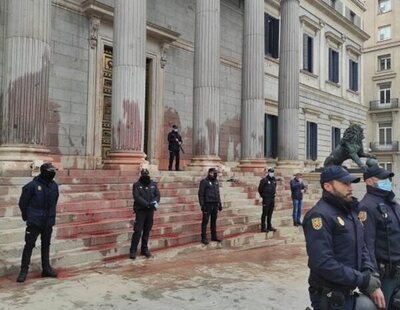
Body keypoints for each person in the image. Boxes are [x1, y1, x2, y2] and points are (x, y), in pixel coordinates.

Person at [303, 165, 385, 309]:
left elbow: (362, 247)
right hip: (330, 298)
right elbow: (323, 262)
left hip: (349, 292)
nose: (350, 188)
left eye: (350, 183)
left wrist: (369, 273)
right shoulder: (319, 216)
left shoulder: (349, 211)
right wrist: (362, 280)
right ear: (328, 186)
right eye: (345, 183)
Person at [359, 165, 400, 308]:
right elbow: (367, 246)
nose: (387, 181)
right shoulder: (367, 206)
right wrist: (373, 282)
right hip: (384, 277)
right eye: (383, 179)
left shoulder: (392, 203)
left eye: (388, 179)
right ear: (369, 182)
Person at [17, 163, 59, 283]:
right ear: (44, 172)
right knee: (29, 245)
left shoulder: (54, 186)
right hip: (35, 222)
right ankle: (23, 270)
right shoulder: (31, 186)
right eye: (50, 171)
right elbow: (22, 204)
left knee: (46, 245)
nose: (53, 173)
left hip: (48, 222)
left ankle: (46, 268)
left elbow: (54, 202)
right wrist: (27, 217)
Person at [129, 169, 160, 260]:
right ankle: (133, 250)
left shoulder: (153, 184)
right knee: (138, 231)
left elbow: (157, 195)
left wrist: (153, 203)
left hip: (150, 211)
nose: (145, 175)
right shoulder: (137, 185)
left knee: (147, 230)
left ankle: (144, 249)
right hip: (141, 210)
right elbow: (137, 197)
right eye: (144, 174)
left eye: (146, 174)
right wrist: (146, 204)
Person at [198, 168, 222, 245]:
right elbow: (201, 194)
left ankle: (214, 236)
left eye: (216, 173)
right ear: (209, 173)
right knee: (205, 221)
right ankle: (203, 237)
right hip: (207, 204)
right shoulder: (204, 182)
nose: (215, 175)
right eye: (214, 173)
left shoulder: (216, 182)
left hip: (215, 203)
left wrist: (219, 203)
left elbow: (218, 193)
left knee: (213, 221)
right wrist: (202, 205)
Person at [258, 168, 277, 232]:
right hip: (266, 198)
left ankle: (269, 226)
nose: (272, 173)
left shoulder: (274, 180)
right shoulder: (264, 180)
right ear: (268, 172)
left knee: (270, 213)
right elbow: (260, 189)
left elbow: (275, 187)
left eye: (273, 172)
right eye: (271, 172)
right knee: (265, 213)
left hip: (272, 198)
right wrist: (264, 196)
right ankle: (263, 227)